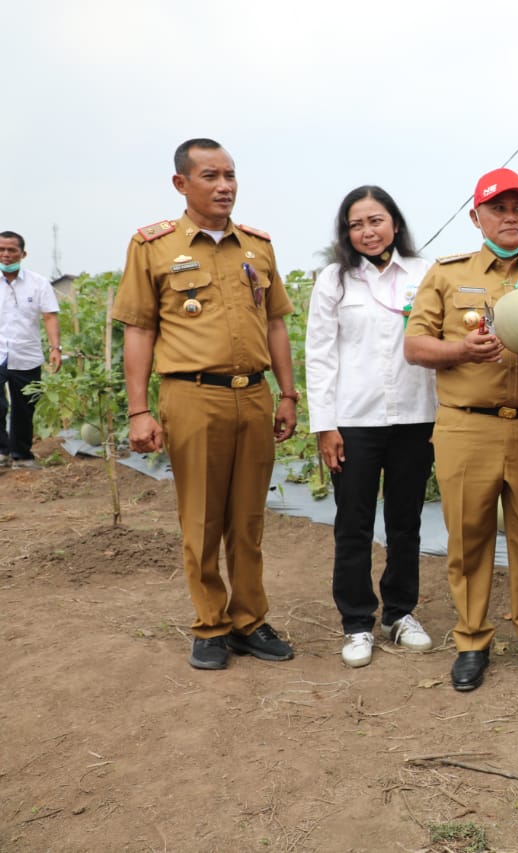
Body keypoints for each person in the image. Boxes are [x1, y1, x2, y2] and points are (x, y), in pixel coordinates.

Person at [112, 138, 300, 671]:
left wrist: (288, 394)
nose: (224, 186)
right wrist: (139, 410)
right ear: (182, 183)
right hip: (192, 395)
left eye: (230, 175)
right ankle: (210, 625)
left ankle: (249, 621)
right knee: (200, 519)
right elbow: (139, 329)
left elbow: (275, 324)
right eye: (211, 176)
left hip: (254, 395)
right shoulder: (153, 246)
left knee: (248, 519)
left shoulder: (257, 246)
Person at [404, 167, 518, 692]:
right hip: (467, 426)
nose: (511, 217)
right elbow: (415, 346)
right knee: (468, 538)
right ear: (476, 216)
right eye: (499, 208)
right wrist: (461, 350)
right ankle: (471, 641)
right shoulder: (446, 274)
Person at [306, 186, 438, 668]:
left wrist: (443, 415)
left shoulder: (425, 274)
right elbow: (320, 355)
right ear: (346, 233)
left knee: (406, 523)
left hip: (416, 417)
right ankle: (357, 621)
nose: (367, 231)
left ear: (395, 224)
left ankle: (400, 613)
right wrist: (326, 426)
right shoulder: (334, 280)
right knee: (353, 524)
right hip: (354, 421)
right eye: (356, 224)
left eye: (376, 220)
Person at [0, 231, 61, 469]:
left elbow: (49, 316)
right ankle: (1, 452)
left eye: (11, 250)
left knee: (24, 407)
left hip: (26, 354)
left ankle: (21, 455)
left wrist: (55, 348)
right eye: (1, 249)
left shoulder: (38, 283)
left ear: (23, 254)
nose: (6, 254)